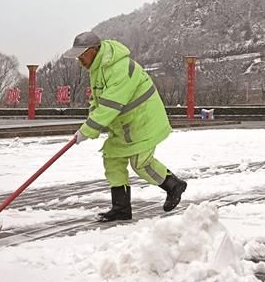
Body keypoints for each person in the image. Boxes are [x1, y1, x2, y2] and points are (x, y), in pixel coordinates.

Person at [64, 31, 187, 222]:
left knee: (141, 163)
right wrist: (89, 126)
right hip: (124, 125)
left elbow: (110, 104)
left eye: (82, 54)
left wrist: (88, 130)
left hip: (144, 121)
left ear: (94, 50)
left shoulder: (119, 67)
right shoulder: (98, 68)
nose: (79, 59)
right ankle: (121, 208)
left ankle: (173, 185)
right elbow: (98, 102)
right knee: (112, 159)